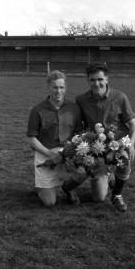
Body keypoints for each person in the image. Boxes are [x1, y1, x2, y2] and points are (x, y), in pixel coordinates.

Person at [61, 62, 135, 212]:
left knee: (124, 160)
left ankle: (116, 195)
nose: (96, 83)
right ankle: (67, 188)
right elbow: (78, 127)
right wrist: (75, 148)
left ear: (107, 79)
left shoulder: (120, 97)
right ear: (88, 81)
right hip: (94, 147)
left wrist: (131, 144)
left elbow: (134, 127)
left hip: (117, 144)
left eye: (100, 79)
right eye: (92, 80)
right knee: (97, 196)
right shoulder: (81, 100)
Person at [26, 70, 82, 207]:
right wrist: (50, 153)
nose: (58, 91)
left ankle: (68, 187)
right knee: (50, 202)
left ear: (65, 88)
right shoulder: (37, 110)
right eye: (55, 87)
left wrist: (69, 153)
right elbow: (32, 139)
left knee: (82, 171)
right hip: (46, 153)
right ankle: (42, 187)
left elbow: (79, 135)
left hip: (67, 152)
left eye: (61, 87)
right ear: (48, 88)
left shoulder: (74, 108)